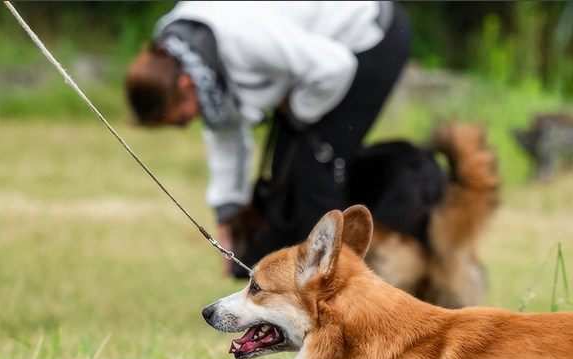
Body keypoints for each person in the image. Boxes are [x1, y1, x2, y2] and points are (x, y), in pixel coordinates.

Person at [124, 1, 411, 276]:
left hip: (369, 36)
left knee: (312, 171)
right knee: (283, 175)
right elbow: (225, 133)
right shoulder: (190, 60)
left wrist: (298, 111)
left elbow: (335, 67)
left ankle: (331, 297)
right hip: (319, 65)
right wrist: (230, 216)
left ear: (186, 84)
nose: (187, 125)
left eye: (181, 118)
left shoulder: (243, 38)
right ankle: (286, 287)